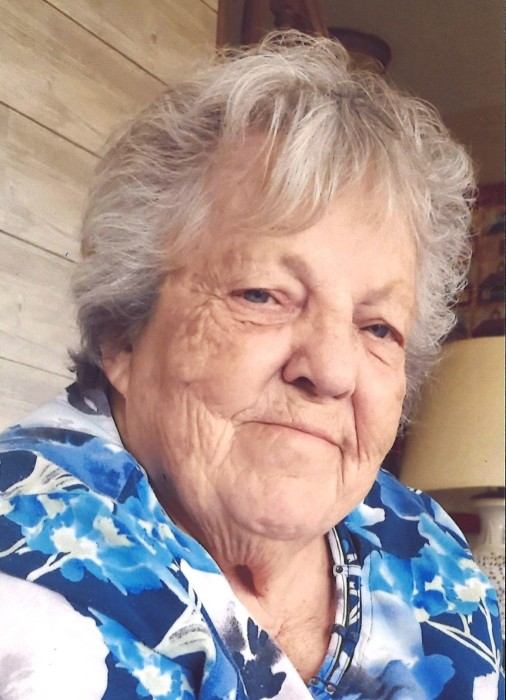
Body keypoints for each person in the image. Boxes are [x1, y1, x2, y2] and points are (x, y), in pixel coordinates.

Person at [0, 31, 502, 700]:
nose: (332, 370)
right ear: (123, 331)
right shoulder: (31, 571)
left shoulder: (424, 540)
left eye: (378, 327)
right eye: (262, 295)